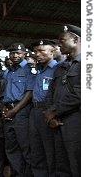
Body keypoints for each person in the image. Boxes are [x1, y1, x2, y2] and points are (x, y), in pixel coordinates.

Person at [45, 24, 81, 177]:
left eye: (62, 40)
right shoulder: (61, 67)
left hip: (77, 122)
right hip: (58, 122)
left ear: (75, 39)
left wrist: (54, 111)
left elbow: (80, 94)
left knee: (78, 165)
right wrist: (49, 117)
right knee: (62, 165)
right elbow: (51, 93)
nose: (58, 44)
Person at [2, 43, 35, 177]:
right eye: (12, 53)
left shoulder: (29, 69)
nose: (15, 55)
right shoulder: (9, 71)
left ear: (24, 54)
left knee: (25, 147)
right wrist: (5, 108)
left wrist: (14, 110)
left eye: (18, 53)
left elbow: (29, 93)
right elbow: (5, 92)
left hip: (21, 112)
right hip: (8, 111)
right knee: (11, 148)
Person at [29, 39, 58, 177]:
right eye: (35, 51)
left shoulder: (58, 69)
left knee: (50, 151)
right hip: (34, 112)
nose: (37, 54)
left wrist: (53, 113)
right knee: (36, 150)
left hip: (48, 112)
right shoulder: (39, 70)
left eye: (41, 51)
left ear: (52, 51)